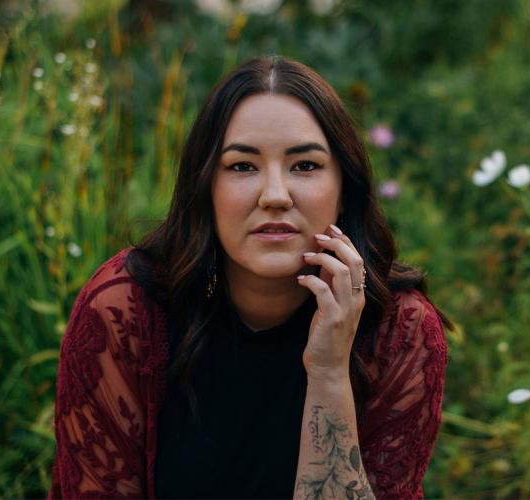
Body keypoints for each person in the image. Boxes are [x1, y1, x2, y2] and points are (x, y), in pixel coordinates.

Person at [47, 56, 451, 499]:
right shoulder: (125, 312)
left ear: (344, 190)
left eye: (305, 166)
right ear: (205, 187)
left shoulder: (401, 332)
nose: (275, 195)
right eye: (242, 166)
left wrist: (329, 373)